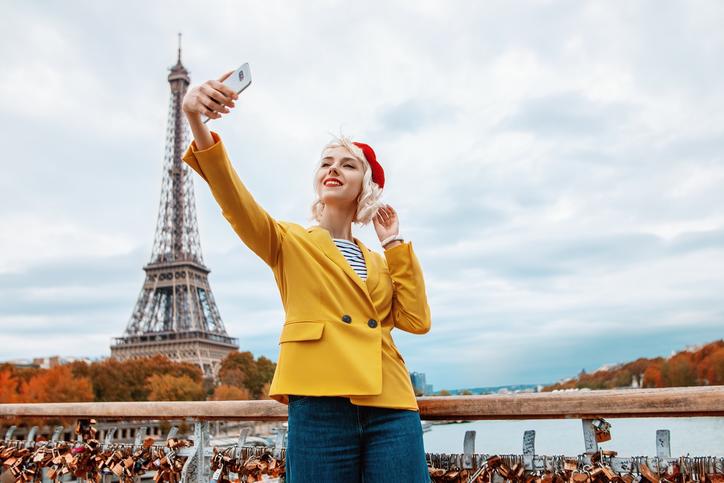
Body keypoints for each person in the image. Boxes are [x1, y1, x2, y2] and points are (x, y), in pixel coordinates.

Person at [181, 70, 432, 482]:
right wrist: (195, 119)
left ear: (364, 188)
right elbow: (234, 198)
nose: (333, 169)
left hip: (391, 404)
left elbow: (416, 320)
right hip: (319, 403)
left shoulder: (380, 259)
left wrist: (394, 243)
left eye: (348, 165)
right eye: (326, 163)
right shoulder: (289, 241)